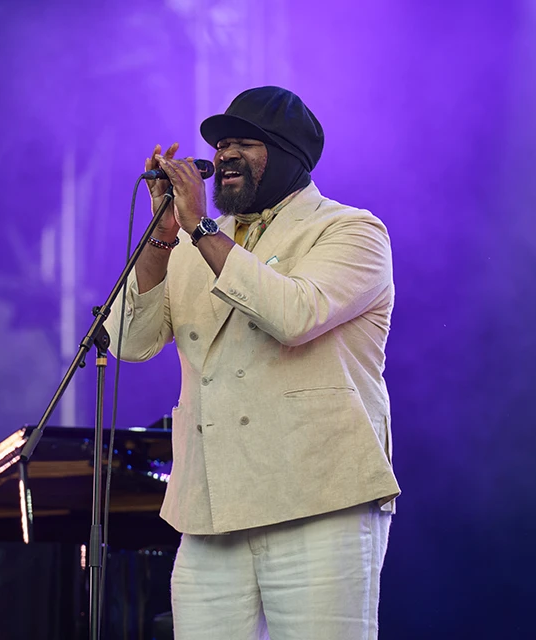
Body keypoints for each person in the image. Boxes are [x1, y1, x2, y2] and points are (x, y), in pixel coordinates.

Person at [109, 86, 400, 640]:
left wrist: (200, 229)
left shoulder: (351, 230)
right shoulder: (193, 244)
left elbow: (293, 315)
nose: (223, 156)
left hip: (319, 499)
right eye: (220, 145)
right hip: (209, 504)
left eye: (245, 143)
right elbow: (128, 339)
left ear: (288, 155)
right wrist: (163, 238)